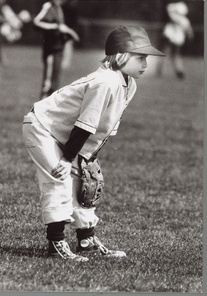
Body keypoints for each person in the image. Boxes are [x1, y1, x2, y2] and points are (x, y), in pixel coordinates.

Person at [22, 25, 165, 262]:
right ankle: (56, 244)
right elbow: (84, 125)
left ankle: (86, 241)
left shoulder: (129, 84)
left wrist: (87, 159)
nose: (145, 64)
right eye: (140, 57)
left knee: (86, 183)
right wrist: (68, 160)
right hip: (42, 128)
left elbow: (103, 130)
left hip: (66, 134)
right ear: (122, 55)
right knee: (59, 177)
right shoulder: (105, 81)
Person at [33, 0, 80, 99]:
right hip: (51, 49)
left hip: (59, 48)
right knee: (48, 82)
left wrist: (68, 33)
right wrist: (56, 27)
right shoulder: (48, 6)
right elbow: (36, 22)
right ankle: (41, 108)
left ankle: (50, 108)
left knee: (55, 82)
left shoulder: (61, 7)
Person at [156, 1, 194, 79]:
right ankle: (178, 71)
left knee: (167, 54)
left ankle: (163, 70)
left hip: (172, 38)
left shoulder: (175, 17)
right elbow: (190, 32)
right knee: (174, 55)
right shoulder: (185, 20)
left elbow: (169, 8)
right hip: (175, 39)